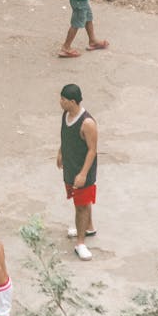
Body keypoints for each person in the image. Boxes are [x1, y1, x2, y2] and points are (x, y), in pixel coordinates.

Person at [57, 83, 98, 261]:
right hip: (70, 166)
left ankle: (81, 243)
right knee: (80, 201)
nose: (60, 102)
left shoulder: (87, 123)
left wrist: (83, 174)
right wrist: (60, 152)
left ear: (72, 101)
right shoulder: (66, 115)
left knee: (81, 207)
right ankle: (89, 227)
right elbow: (65, 136)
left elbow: (92, 150)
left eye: (63, 99)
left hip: (81, 171)